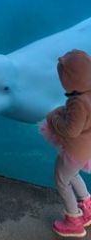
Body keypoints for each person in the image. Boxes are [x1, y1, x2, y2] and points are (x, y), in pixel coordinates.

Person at [40, 49, 91, 237]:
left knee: (61, 180)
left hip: (75, 150)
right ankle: (87, 205)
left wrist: (53, 117)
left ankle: (74, 220)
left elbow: (71, 130)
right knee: (72, 174)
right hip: (87, 148)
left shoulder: (78, 102)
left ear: (70, 80)